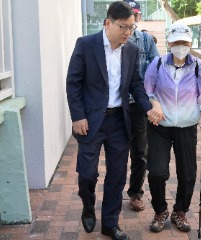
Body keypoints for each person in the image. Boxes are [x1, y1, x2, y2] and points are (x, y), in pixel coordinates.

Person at [66, 2, 163, 239]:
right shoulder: (86, 45)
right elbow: (73, 82)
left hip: (120, 120)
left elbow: (136, 85)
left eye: (131, 27)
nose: (128, 32)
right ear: (107, 23)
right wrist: (77, 116)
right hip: (90, 121)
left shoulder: (130, 50)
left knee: (117, 174)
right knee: (87, 173)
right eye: (123, 27)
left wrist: (148, 107)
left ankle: (110, 223)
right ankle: (88, 205)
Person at [144, 22, 201, 233]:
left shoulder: (197, 66)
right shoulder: (157, 64)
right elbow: (147, 90)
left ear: (190, 43)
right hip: (160, 125)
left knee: (188, 173)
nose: (180, 46)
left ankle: (180, 211)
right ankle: (160, 210)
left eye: (184, 42)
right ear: (170, 43)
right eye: (176, 42)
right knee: (156, 172)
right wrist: (153, 105)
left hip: (186, 125)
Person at [124, 0, 160, 213]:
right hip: (117, 104)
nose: (132, 19)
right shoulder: (114, 39)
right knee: (117, 150)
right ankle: (113, 190)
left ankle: (136, 192)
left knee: (140, 151)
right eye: (129, 15)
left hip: (139, 104)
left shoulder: (146, 41)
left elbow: (157, 69)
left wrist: (153, 100)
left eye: (135, 15)